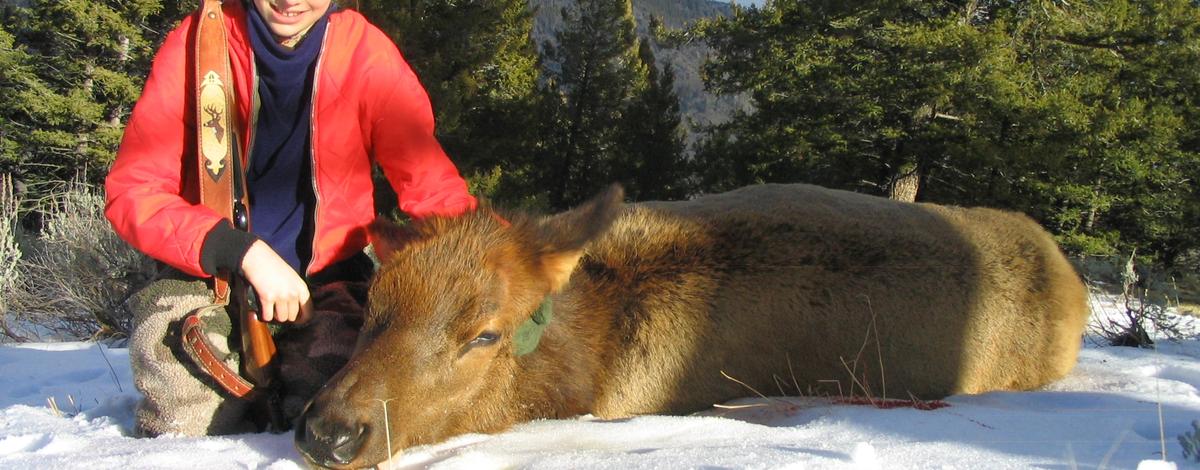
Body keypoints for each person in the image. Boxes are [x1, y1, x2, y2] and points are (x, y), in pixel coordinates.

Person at [105, 0, 477, 436]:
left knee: (348, 417)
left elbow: (430, 184)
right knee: (186, 418)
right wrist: (242, 252)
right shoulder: (197, 44)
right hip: (212, 278)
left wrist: (499, 256)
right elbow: (134, 192)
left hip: (331, 282)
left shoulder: (365, 53)